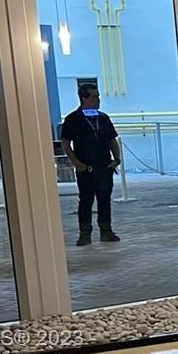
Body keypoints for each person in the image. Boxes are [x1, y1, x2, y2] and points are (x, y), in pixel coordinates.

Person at [60, 83, 122, 245]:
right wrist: (77, 163)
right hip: (86, 168)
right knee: (86, 200)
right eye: (94, 97)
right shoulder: (73, 119)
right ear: (84, 98)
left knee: (104, 200)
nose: (98, 100)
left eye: (98, 96)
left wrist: (116, 159)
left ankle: (106, 231)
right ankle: (85, 233)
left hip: (104, 167)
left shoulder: (103, 118)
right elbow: (66, 143)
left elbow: (112, 139)